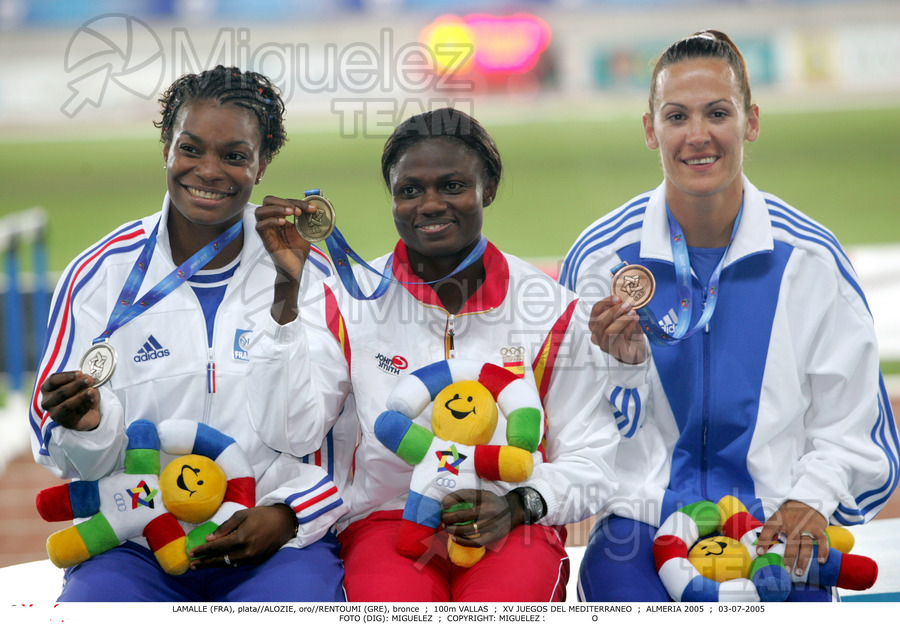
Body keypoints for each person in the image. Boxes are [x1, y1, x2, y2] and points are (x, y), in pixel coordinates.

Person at [249, 107, 649, 601]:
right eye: (409, 190)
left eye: (453, 185)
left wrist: (519, 505)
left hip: (514, 522)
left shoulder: (551, 312)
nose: (430, 204)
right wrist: (286, 292)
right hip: (387, 523)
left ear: (489, 188)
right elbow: (290, 432)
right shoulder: (347, 301)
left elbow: (592, 462)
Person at [559, 30, 899, 601]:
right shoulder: (600, 260)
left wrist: (809, 499)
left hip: (774, 520)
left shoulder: (812, 263)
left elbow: (854, 429)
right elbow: (567, 434)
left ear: (752, 122)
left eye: (718, 113)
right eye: (676, 116)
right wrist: (619, 369)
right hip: (640, 521)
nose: (698, 136)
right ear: (651, 130)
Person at [30, 66, 347, 602]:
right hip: (136, 540)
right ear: (166, 149)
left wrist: (284, 303)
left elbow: (309, 438)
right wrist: (88, 427)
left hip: (270, 537)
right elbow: (54, 444)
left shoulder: (310, 274)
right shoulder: (99, 275)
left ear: (262, 164)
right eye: (191, 148)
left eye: (235, 155)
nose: (209, 170)